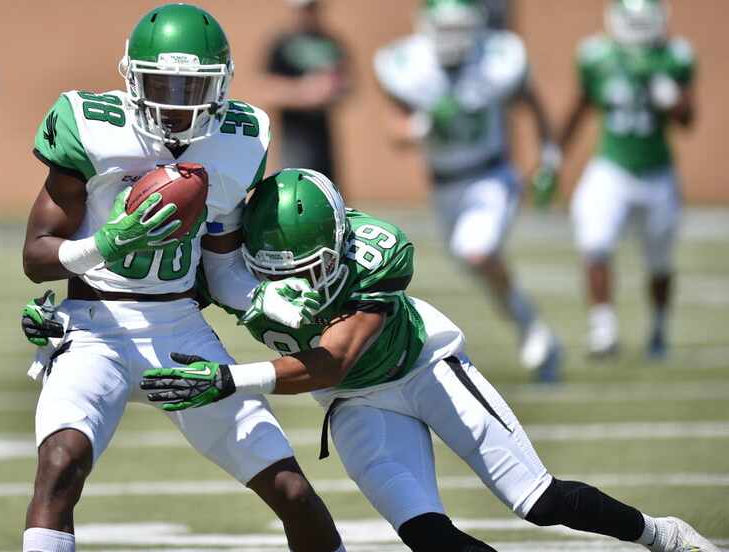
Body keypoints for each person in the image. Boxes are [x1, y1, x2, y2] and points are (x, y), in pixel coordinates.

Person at [140, 168, 720, 552]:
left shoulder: (376, 252)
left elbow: (332, 360)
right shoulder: (229, 272)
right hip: (357, 403)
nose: (301, 283)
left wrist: (227, 379)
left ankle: (661, 535)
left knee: (538, 501)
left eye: (312, 266)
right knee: (429, 538)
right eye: (281, 274)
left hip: (423, 366)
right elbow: (151, 302)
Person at [19, 4, 344, 552]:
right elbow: (36, 256)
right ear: (130, 77)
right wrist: (108, 243)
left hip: (178, 326)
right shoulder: (91, 126)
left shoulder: (240, 140)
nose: (175, 102)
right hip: (94, 324)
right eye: (161, 83)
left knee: (290, 489)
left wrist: (265, 299)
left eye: (193, 87)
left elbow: (219, 270)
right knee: (61, 463)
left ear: (221, 87)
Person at [373, 0, 562, 381]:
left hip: (491, 175)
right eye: (444, 30)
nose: (451, 39)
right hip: (445, 187)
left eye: (459, 29)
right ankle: (532, 326)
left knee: (476, 251)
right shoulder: (409, 65)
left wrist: (549, 154)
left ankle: (533, 331)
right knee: (473, 260)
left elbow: (529, 100)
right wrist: (422, 126)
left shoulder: (496, 58)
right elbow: (395, 130)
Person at [559, 0, 696, 359]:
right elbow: (581, 104)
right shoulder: (597, 56)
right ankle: (603, 331)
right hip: (612, 165)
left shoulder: (675, 56)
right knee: (595, 240)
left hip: (658, 170)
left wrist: (673, 99)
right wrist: (554, 154)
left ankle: (659, 329)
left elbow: (687, 119)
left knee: (660, 260)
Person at [263, 0, 350, 182]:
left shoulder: (331, 43)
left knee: (330, 190)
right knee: (297, 186)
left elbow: (348, 83)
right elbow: (268, 88)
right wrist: (304, 92)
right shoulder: (282, 45)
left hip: (324, 136)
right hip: (294, 137)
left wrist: (334, 90)